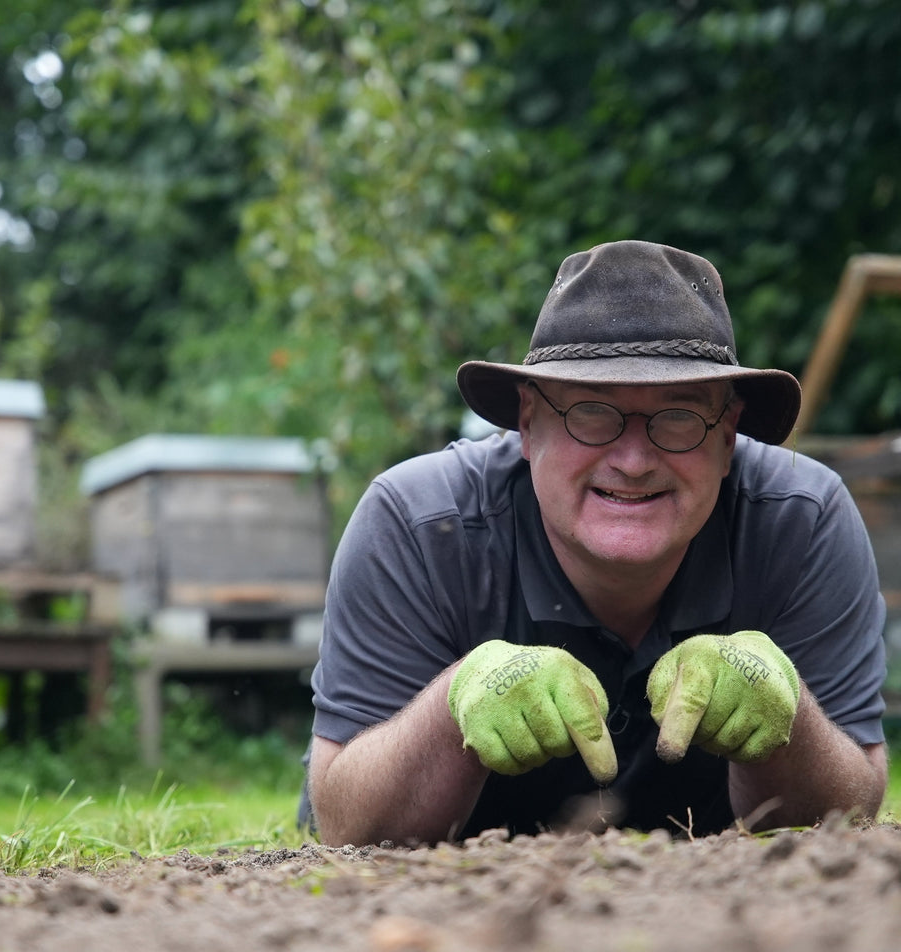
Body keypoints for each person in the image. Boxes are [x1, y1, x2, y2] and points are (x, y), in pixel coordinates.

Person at [301, 239, 889, 848]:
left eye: (680, 415)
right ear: (528, 423)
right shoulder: (418, 524)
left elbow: (857, 802)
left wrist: (788, 715)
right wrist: (453, 707)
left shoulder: (803, 520)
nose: (633, 460)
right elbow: (346, 822)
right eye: (591, 411)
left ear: (729, 436)